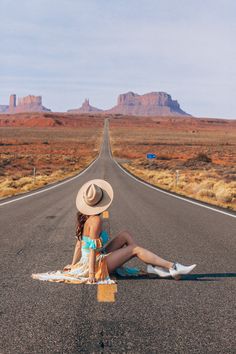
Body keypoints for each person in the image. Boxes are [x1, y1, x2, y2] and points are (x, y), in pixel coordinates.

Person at [31, 179, 196, 284]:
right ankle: (172, 266)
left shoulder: (85, 217)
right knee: (134, 250)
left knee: (125, 234)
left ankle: (152, 267)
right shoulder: (95, 220)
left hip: (93, 257)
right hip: (96, 263)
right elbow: (93, 249)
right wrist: (90, 274)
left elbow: (79, 245)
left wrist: (74, 264)